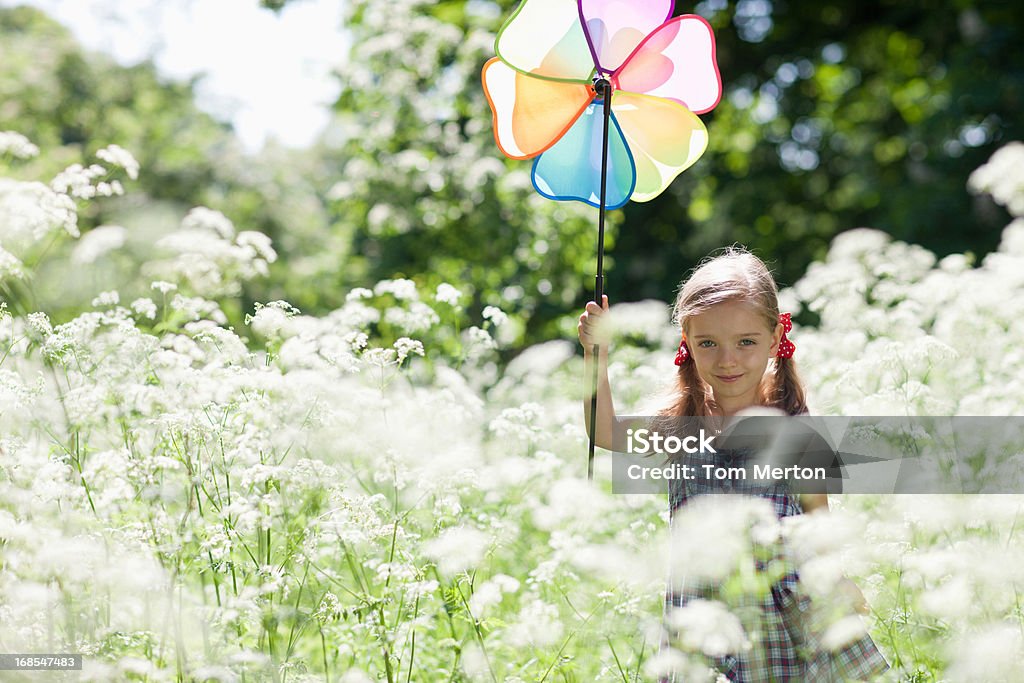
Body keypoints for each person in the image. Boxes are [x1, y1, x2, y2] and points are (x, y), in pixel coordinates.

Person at [577, 247, 889, 682]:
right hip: (701, 615)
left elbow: (817, 523)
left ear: (776, 339)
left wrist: (837, 579)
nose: (728, 360)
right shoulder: (681, 426)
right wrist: (597, 354)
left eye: (746, 342)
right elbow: (603, 429)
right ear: (686, 342)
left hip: (787, 616)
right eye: (709, 343)